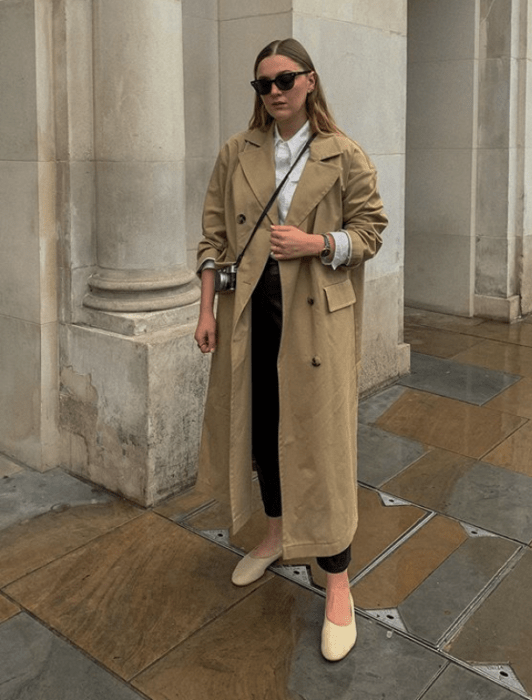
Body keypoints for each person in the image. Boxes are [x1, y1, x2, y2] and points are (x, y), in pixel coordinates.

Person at [194, 38, 387, 661]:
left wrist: (317, 243)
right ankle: (276, 533)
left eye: (284, 80)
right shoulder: (236, 152)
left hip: (316, 319)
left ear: (309, 81)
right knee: (262, 429)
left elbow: (371, 232)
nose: (274, 92)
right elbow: (214, 237)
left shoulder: (343, 152)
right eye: (262, 84)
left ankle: (337, 580)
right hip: (249, 312)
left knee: (320, 442)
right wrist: (205, 311)